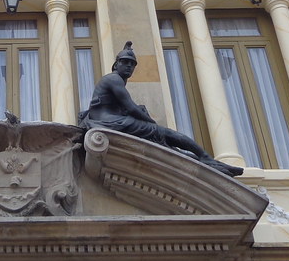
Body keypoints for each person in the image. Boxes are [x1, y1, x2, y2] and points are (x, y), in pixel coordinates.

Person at [80, 41, 243, 177]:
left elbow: (123, 107)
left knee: (163, 144)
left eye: (132, 64)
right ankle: (205, 158)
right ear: (116, 65)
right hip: (109, 123)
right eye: (125, 62)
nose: (129, 67)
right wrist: (151, 122)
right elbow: (130, 107)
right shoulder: (114, 79)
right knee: (163, 133)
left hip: (110, 121)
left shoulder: (116, 80)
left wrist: (140, 111)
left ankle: (203, 161)